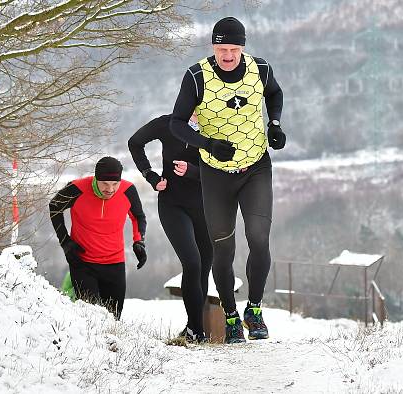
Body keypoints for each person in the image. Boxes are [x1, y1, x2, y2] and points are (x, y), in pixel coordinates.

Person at [169, 16, 285, 343]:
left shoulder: (259, 69)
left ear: (242, 47)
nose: (228, 55)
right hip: (216, 174)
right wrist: (207, 144)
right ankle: (231, 316)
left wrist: (274, 124)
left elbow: (275, 94)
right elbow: (176, 124)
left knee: (259, 238)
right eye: (222, 49)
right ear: (213, 47)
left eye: (234, 48)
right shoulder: (196, 76)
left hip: (255, 168)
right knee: (223, 251)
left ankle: (255, 310)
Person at [128, 114, 212, 343]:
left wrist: (193, 171)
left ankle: (192, 328)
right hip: (173, 204)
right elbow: (134, 143)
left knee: (204, 268)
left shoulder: (216, 122)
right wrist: (151, 176)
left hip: (207, 206)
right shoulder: (169, 124)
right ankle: (197, 332)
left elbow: (226, 165)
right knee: (192, 263)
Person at [49, 156, 147, 319]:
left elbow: (138, 216)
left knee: (113, 318)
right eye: (105, 184)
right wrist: (65, 241)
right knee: (90, 317)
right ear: (96, 178)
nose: (110, 189)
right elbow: (55, 207)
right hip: (83, 263)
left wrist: (139, 242)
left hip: (114, 264)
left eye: (115, 183)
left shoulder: (128, 190)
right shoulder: (77, 189)